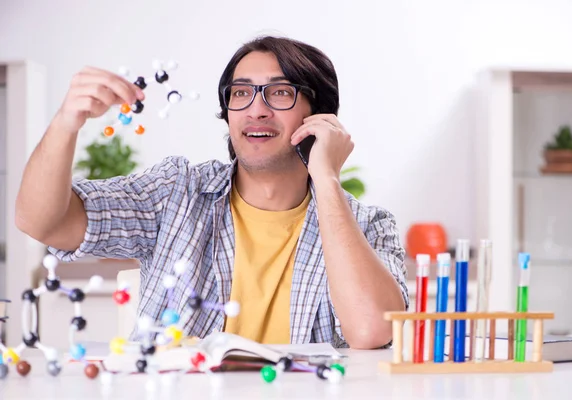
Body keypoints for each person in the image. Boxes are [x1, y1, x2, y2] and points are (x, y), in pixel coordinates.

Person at [15, 36, 408, 349]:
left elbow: (373, 331)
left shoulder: (368, 226)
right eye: (241, 93)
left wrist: (326, 179)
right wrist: (68, 122)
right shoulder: (177, 193)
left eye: (280, 92)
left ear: (320, 116)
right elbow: (42, 222)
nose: (256, 110)